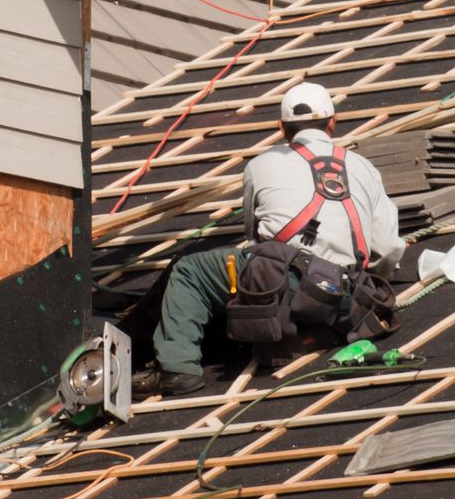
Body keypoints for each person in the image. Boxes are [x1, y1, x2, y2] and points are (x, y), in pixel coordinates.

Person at [132, 82, 403, 397]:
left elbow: (254, 237)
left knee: (190, 270)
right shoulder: (364, 167)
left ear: (281, 128)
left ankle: (178, 368)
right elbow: (388, 247)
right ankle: (313, 328)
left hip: (283, 287)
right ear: (333, 122)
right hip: (344, 294)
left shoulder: (261, 164)